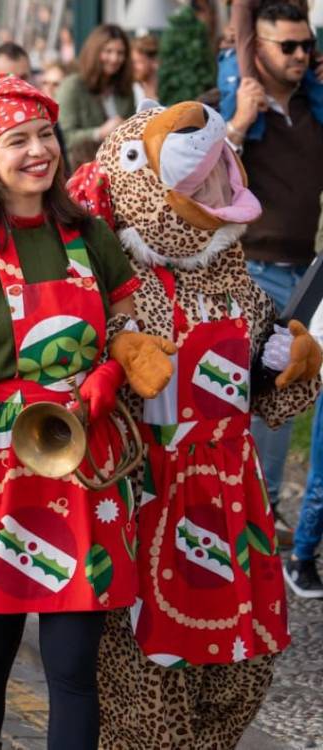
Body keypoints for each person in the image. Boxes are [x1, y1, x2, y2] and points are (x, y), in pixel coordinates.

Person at [0, 73, 170, 750]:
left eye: (45, 135)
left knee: (72, 668)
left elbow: (127, 320)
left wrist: (112, 369)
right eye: (17, 140)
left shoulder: (89, 232)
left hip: (86, 461)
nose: (38, 151)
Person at [65, 99, 319, 750]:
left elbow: (267, 403)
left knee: (244, 670)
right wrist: (115, 362)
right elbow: (73, 385)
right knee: (148, 688)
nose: (218, 187)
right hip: (148, 496)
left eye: (218, 173)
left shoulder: (241, 284)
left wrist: (296, 369)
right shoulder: (114, 280)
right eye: (200, 179)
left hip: (233, 497)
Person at [220, 0, 323, 543]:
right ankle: (231, 513)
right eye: (288, 46)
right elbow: (205, 183)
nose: (301, 55)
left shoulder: (315, 110)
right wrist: (239, 119)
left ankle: (265, 513)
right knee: (238, 398)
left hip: (305, 274)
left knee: (285, 397)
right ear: (256, 50)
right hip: (248, 272)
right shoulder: (235, 104)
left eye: (306, 44)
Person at [56, 25, 135, 146]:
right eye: (108, 51)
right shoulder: (72, 86)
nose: (115, 58)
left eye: (120, 53)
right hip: (84, 162)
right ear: (94, 52)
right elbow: (63, 137)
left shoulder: (125, 88)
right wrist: (98, 133)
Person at [130, 33, 159, 106]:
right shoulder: (131, 89)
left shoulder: (167, 88)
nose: (133, 67)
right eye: (132, 62)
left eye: (138, 62)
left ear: (153, 62)